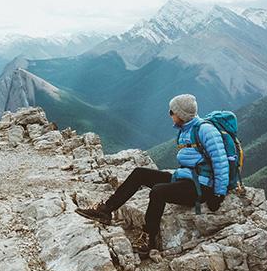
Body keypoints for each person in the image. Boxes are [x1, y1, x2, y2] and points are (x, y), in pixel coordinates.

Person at [75, 94, 229, 258]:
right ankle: (106, 210)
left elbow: (221, 161)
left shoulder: (206, 131)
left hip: (202, 188)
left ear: (181, 114)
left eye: (172, 111)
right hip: (186, 179)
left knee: (158, 191)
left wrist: (218, 194)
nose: (170, 114)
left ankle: (149, 240)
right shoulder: (187, 129)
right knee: (140, 173)